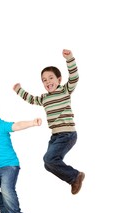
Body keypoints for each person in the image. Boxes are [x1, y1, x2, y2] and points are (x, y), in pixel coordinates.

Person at [13, 49, 85, 195]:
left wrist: (69, 59)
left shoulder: (65, 90)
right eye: (44, 80)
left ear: (59, 80)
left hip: (67, 134)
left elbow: (74, 78)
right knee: (48, 164)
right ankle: (73, 177)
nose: (48, 82)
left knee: (49, 159)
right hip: (55, 136)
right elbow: (31, 99)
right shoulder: (44, 98)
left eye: (51, 78)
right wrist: (19, 90)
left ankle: (75, 176)